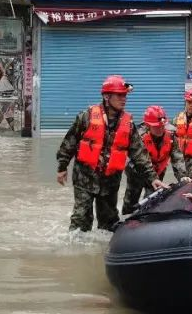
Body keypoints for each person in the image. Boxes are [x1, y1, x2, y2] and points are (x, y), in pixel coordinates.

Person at [56, 75, 166, 232]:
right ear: (107, 97)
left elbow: (139, 154)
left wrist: (153, 178)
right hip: (85, 178)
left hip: (110, 182)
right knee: (81, 222)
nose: (124, 99)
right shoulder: (86, 117)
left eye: (125, 95)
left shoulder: (128, 124)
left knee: (108, 225)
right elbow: (69, 143)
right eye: (120, 95)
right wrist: (62, 167)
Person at [121, 105, 187, 216]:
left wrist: (183, 176)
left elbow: (177, 158)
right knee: (131, 199)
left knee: (152, 200)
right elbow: (135, 158)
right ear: (147, 125)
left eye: (162, 126)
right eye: (156, 127)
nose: (161, 129)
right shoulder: (138, 136)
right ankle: (126, 221)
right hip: (137, 171)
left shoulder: (171, 136)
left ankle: (147, 221)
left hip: (158, 171)